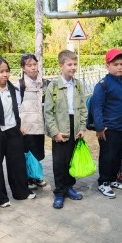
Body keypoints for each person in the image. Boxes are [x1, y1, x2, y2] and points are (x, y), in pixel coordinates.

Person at [0, 58, 36, 207]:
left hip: (13, 130)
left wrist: (20, 126)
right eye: (1, 71)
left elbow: (17, 109)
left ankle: (21, 192)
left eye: (7, 71)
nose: (5, 74)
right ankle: (0, 198)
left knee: (17, 163)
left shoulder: (13, 89)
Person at [44, 50, 87, 209]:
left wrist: (82, 127)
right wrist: (55, 132)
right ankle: (60, 192)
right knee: (59, 162)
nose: (73, 67)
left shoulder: (77, 85)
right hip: (60, 128)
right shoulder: (53, 86)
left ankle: (69, 187)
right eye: (69, 64)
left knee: (71, 160)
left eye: (75, 64)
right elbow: (48, 112)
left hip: (74, 126)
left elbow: (83, 107)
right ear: (61, 66)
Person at [91, 48, 122, 198]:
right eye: (116, 64)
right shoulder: (103, 85)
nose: (120, 67)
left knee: (119, 155)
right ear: (107, 66)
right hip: (108, 129)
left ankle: (113, 180)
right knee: (107, 156)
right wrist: (99, 127)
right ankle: (103, 183)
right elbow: (97, 107)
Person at [17, 53, 48, 190]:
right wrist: (19, 125)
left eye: (35, 64)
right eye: (29, 66)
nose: (33, 68)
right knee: (27, 153)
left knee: (38, 152)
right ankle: (28, 178)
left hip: (39, 124)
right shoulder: (20, 85)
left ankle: (37, 176)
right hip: (26, 126)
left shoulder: (43, 83)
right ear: (23, 68)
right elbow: (17, 106)